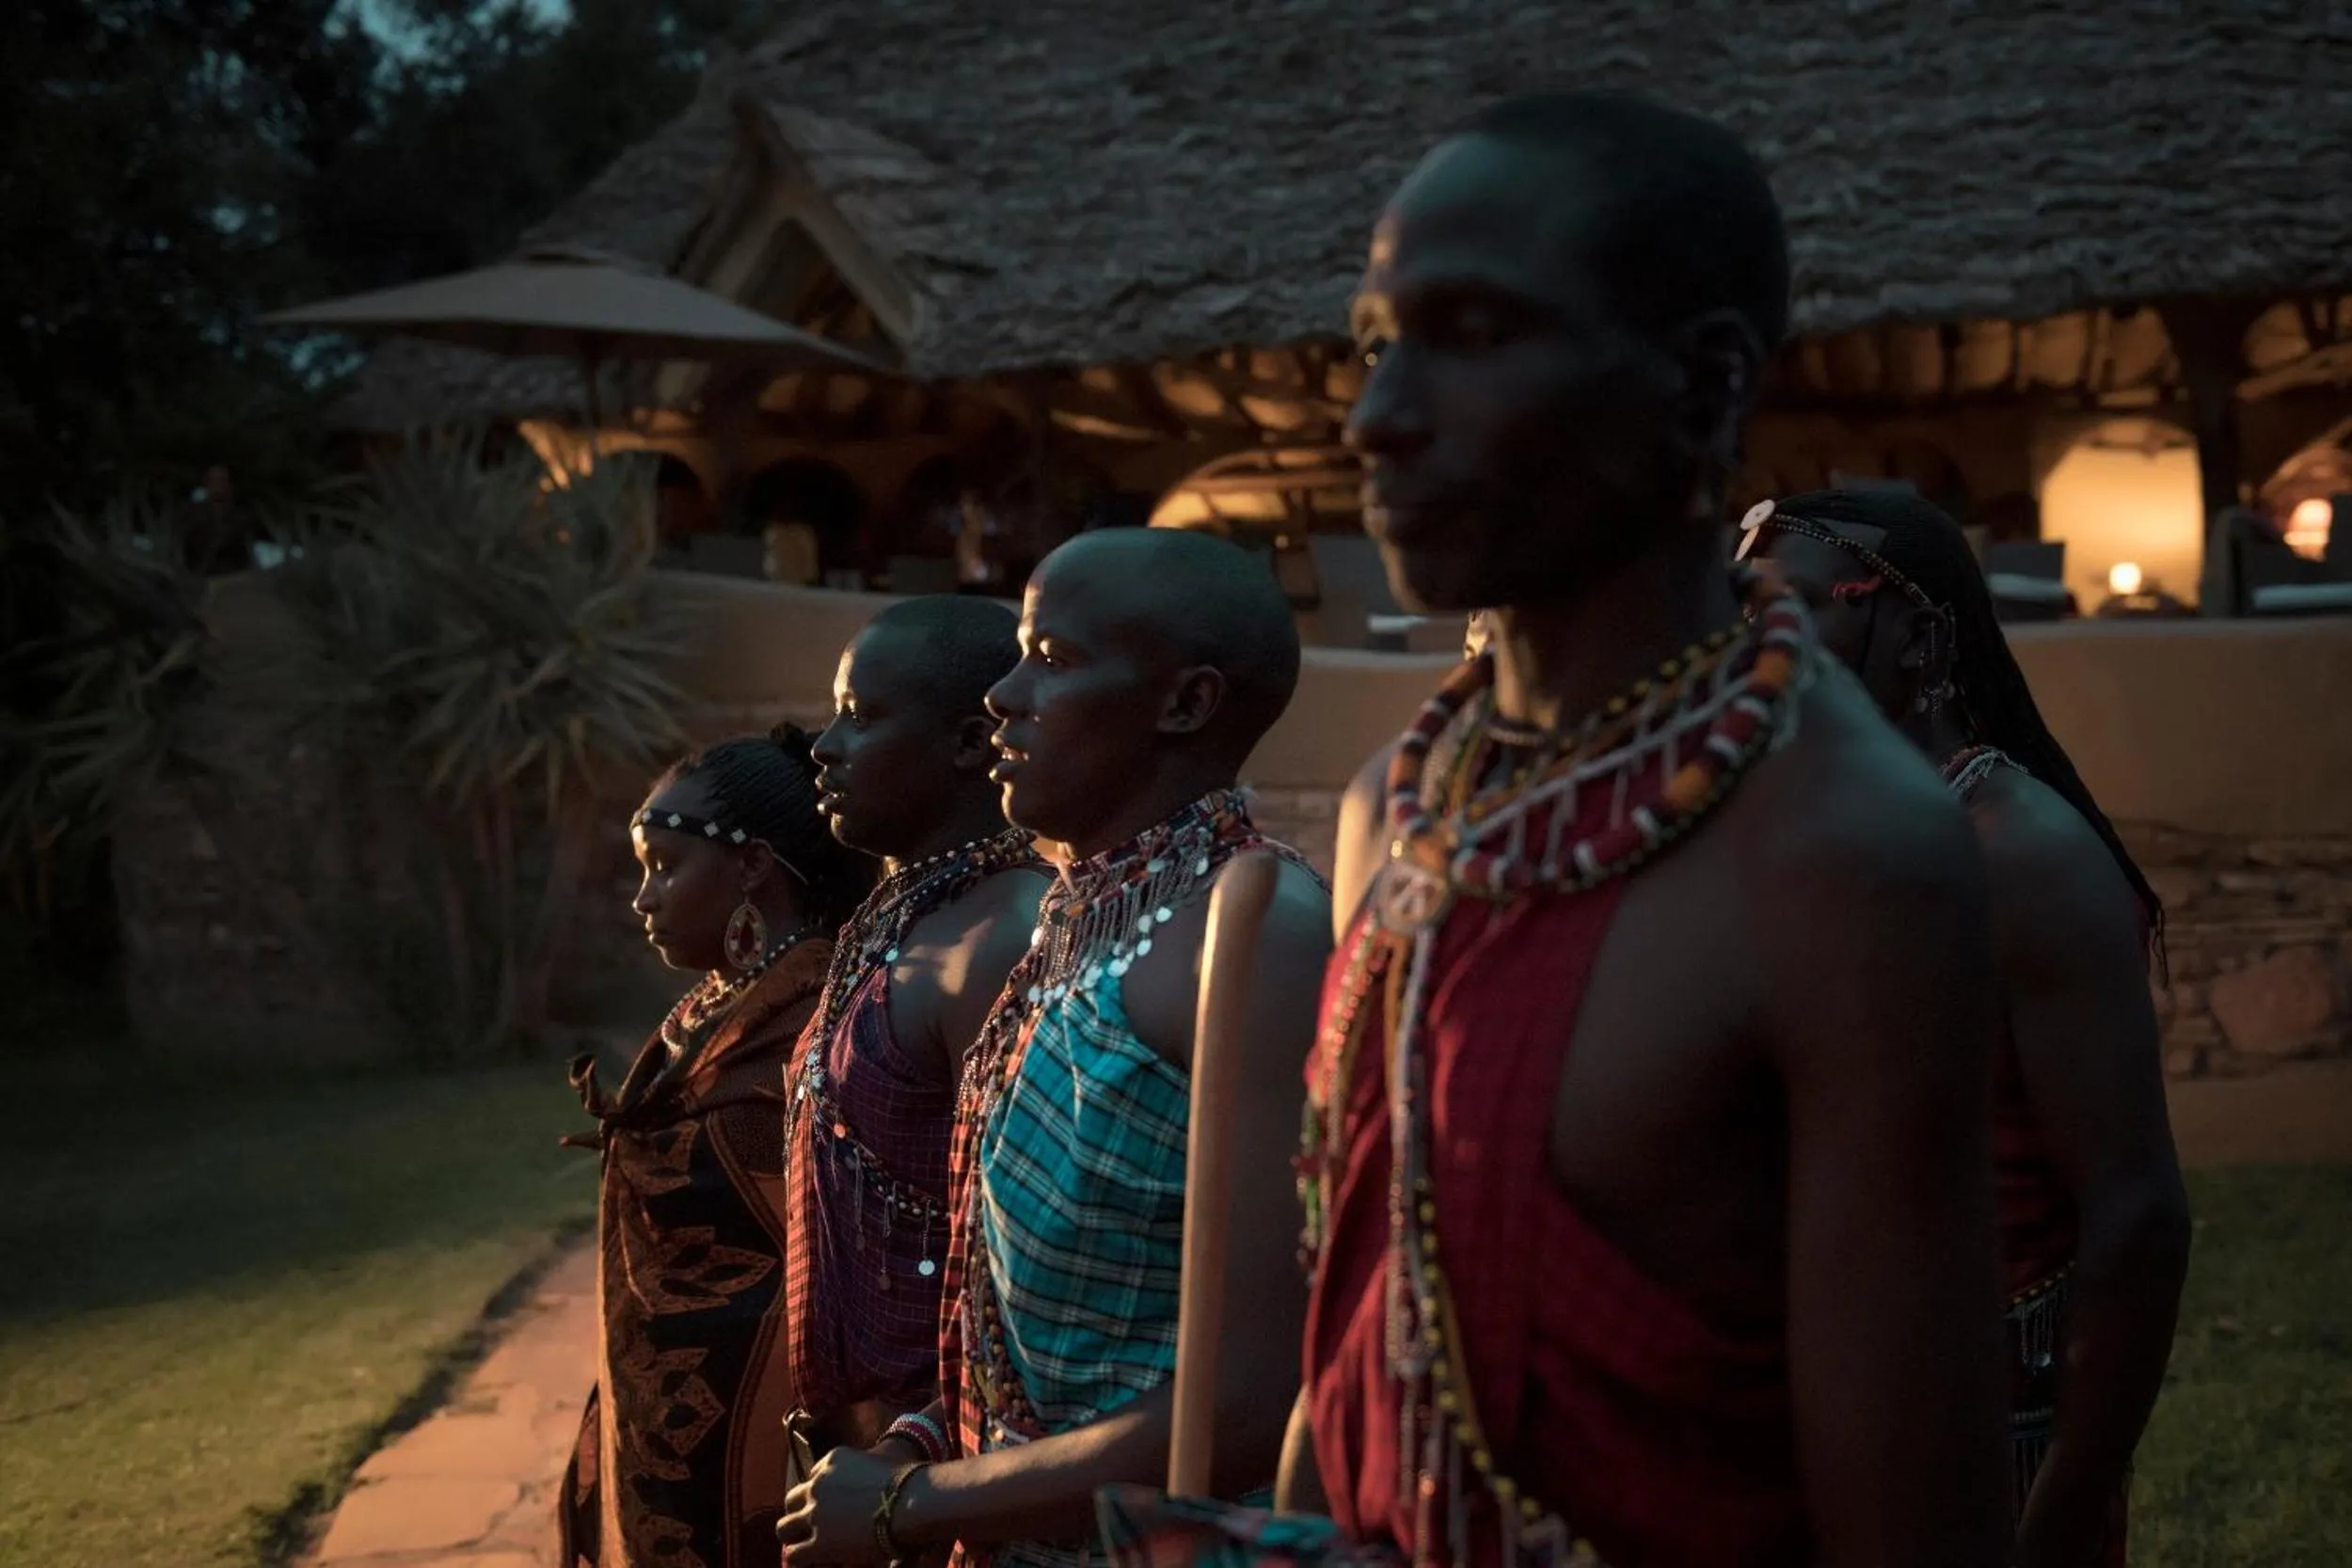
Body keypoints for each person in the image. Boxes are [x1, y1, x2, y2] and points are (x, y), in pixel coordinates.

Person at [1283, 91, 2011, 1568]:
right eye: (1373, 344)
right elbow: (1353, 1358)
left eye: (1475, 332)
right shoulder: (1399, 812)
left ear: (1702, 383)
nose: (1376, 414)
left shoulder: (1843, 858)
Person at [779, 528, 1333, 1568]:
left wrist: (921, 1503)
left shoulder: (1254, 926)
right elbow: (1039, 1331)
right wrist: (931, 1437)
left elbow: (1255, 1399)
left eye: (1054, 659)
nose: (1002, 693)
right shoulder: (1082, 914)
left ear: (1185, 704)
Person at [1745, 487, 2191, 1567]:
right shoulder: (1821, 828)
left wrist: (2065, 1507)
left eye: (1793, 608)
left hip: (1994, 1437)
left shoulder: (2020, 856)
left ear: (1919, 635)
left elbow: (2134, 1215)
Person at [559, 726, 874, 1567]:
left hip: (761, 1461)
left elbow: (854, 1276)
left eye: (665, 864)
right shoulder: (716, 1011)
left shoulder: (817, 1030)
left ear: (751, 867)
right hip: (664, 1436)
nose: (643, 897)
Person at [786, 597, 1050, 1458]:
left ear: (972, 744)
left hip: (939, 1472)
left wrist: (915, 1461)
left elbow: (1023, 1277)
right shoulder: (900, 918)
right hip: (855, 1465)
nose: (824, 746)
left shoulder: (1003, 938)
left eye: (860, 716)